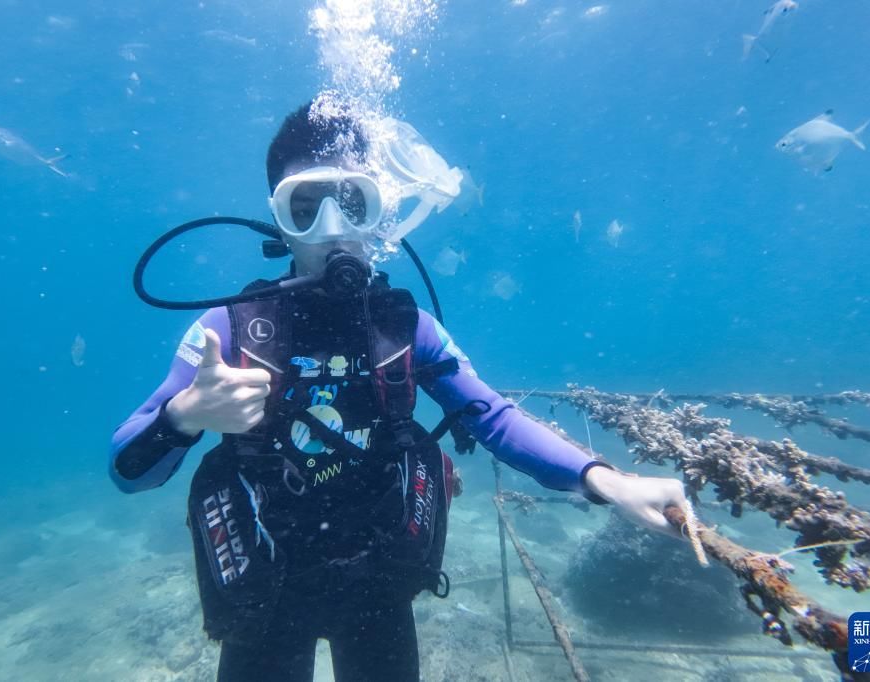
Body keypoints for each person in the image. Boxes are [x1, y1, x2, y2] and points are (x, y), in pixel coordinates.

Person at [109, 97, 692, 682]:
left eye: (354, 202)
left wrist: (608, 482)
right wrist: (183, 416)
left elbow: (492, 416)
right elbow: (126, 469)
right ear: (278, 223)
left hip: (377, 583)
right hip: (265, 589)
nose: (333, 230)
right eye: (305, 208)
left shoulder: (408, 328)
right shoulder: (228, 330)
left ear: (382, 211)